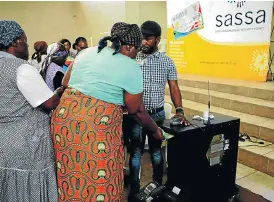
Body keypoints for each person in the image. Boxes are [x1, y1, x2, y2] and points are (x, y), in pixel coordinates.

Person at [50, 22, 164, 202]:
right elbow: (136, 110)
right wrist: (155, 131)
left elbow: (65, 83)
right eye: (136, 50)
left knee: (72, 174)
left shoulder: (86, 52)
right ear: (128, 47)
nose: (136, 55)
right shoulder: (130, 65)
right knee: (101, 177)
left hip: (65, 122)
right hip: (96, 126)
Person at [124, 20, 190, 201]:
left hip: (158, 115)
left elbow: (174, 87)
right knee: (136, 152)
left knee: (156, 152)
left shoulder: (167, 62)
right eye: (142, 38)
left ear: (158, 39)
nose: (143, 42)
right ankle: (134, 190)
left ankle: (158, 186)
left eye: (148, 38)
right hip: (136, 115)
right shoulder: (131, 59)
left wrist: (179, 110)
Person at [0, 20, 63, 202]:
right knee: (28, 192)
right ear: (15, 43)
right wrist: (60, 92)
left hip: (4, 144)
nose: (28, 45)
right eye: (25, 41)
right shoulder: (21, 68)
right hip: (27, 147)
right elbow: (49, 103)